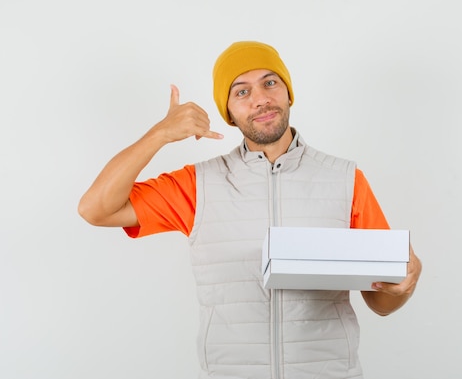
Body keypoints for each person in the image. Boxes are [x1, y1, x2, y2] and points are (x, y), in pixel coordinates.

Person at [78, 41, 421, 379]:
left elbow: (381, 301)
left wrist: (403, 287)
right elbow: (96, 209)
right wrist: (160, 134)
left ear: (288, 93)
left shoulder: (345, 179)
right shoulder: (197, 185)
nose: (260, 99)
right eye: (241, 92)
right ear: (228, 112)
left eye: (270, 82)